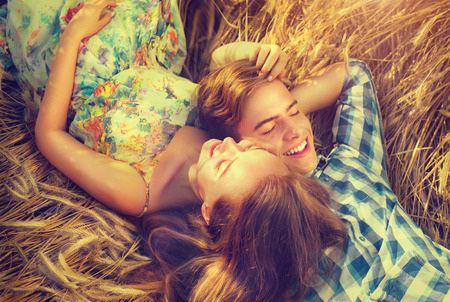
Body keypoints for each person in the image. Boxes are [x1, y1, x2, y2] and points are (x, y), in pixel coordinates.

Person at [4, 0, 348, 300]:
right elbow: (339, 78)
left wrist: (73, 35)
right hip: (134, 39)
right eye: (247, 148)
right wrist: (254, 57)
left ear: (209, 214)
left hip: (66, 57)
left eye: (228, 164)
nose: (227, 146)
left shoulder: (138, 191)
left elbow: (49, 135)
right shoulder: (227, 139)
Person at [197, 46, 450, 300]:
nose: (295, 130)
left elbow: (353, 74)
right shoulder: (256, 242)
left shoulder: (350, 163)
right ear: (239, 145)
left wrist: (255, 81)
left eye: (296, 111)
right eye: (270, 128)